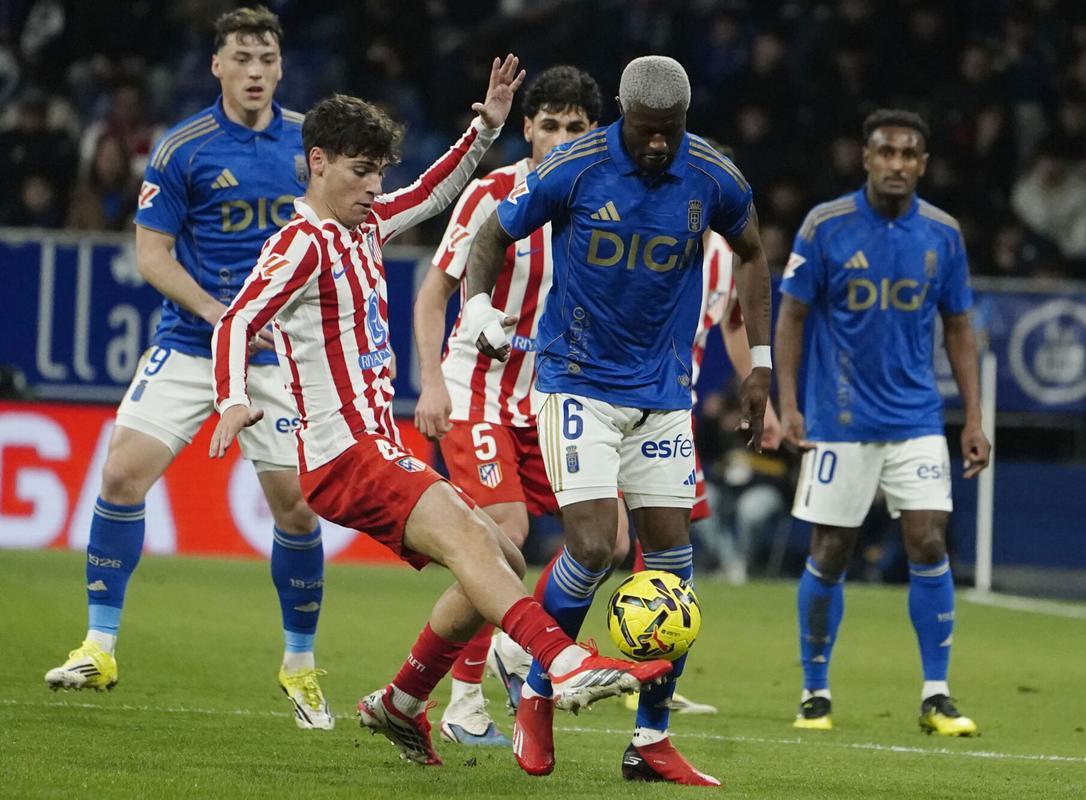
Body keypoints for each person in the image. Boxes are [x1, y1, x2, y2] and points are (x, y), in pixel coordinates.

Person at [209, 68, 672, 770]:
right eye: (362, 173)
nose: (374, 188)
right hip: (344, 452)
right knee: (469, 538)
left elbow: (427, 192)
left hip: (374, 444)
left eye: (377, 174)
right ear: (318, 163)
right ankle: (561, 659)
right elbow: (237, 320)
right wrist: (232, 399)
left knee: (503, 553)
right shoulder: (301, 243)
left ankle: (401, 699)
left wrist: (483, 128)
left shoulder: (362, 224)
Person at [462, 55, 773, 786]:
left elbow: (754, 254)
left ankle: (650, 738)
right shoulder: (574, 167)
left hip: (663, 393)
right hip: (577, 384)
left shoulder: (712, 176)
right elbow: (488, 236)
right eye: (647, 131)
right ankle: (537, 692)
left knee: (673, 570)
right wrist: (478, 309)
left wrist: (758, 361)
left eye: (672, 131)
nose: (660, 144)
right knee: (596, 546)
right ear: (622, 119)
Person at [44, 6, 337, 731]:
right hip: (191, 344)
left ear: (280, 65)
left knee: (297, 511)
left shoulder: (311, 146)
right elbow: (152, 254)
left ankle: (300, 667)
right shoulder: (184, 147)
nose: (256, 71)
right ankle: (99, 646)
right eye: (241, 58)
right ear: (216, 66)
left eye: (266, 58)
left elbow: (348, 230)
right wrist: (216, 313)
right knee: (119, 475)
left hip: (276, 355)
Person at [774, 108, 991, 737]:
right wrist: (789, 406)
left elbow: (958, 327)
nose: (897, 164)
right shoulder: (826, 225)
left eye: (909, 154)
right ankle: (815, 691)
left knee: (928, 540)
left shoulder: (942, 234)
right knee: (831, 551)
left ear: (923, 164)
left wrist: (973, 417)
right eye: (886, 152)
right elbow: (791, 316)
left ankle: (937, 693)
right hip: (838, 422)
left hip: (917, 416)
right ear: (865, 158)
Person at [413, 65, 603, 747]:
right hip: (478, 389)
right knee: (503, 535)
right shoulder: (494, 192)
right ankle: (465, 700)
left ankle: (510, 644)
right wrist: (431, 382)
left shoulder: (600, 206)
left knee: (599, 536)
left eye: (573, 127)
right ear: (526, 128)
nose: (557, 137)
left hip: (549, 397)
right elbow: (435, 292)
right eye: (546, 124)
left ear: (594, 133)